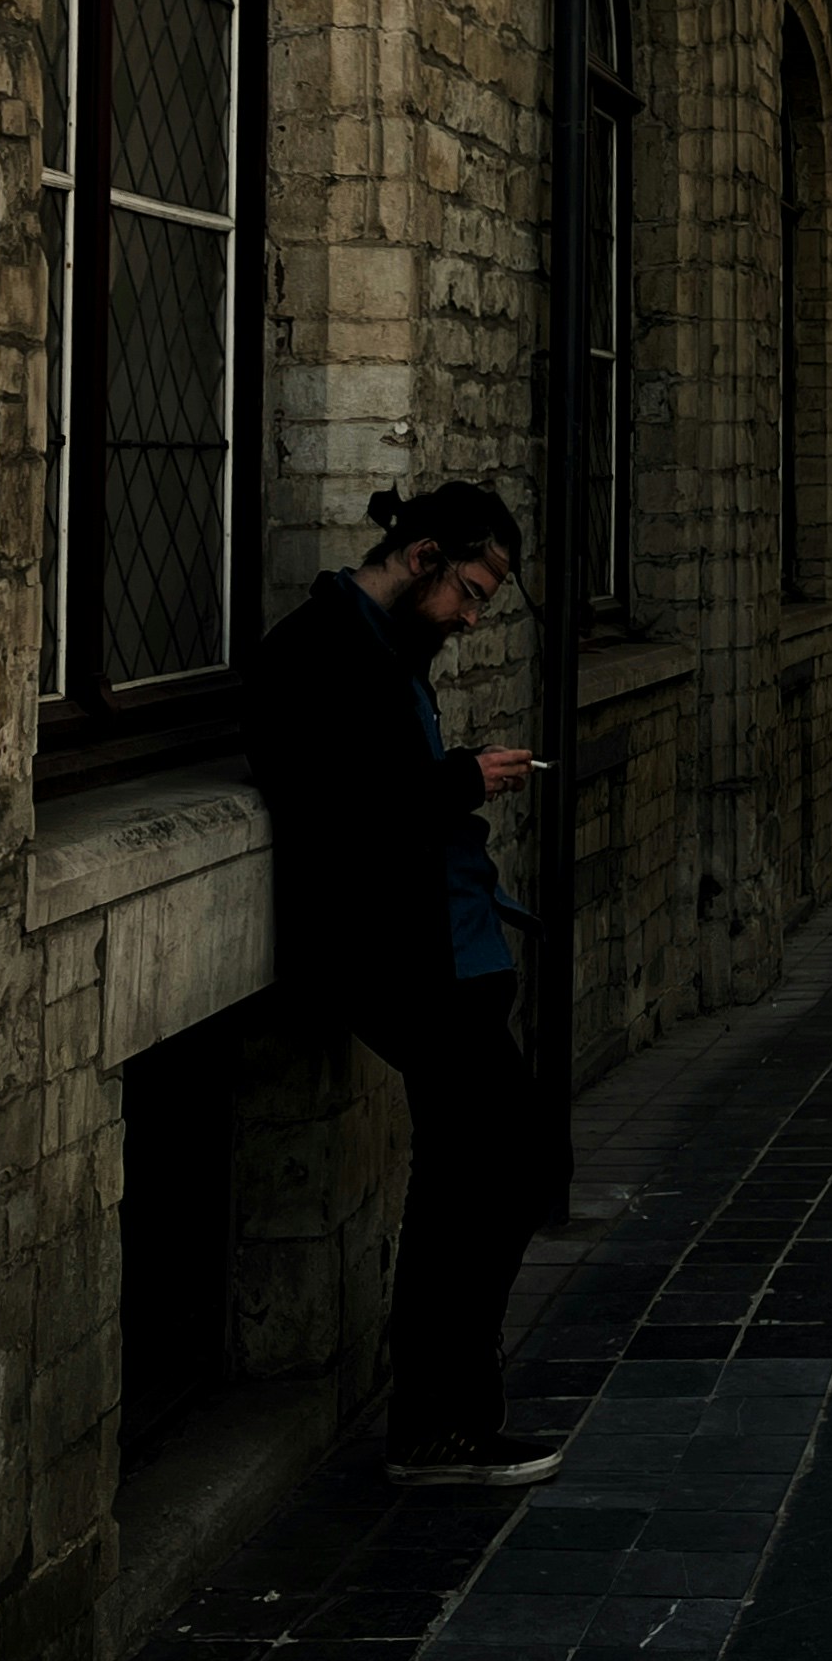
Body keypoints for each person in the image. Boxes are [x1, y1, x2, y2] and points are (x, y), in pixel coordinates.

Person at [246, 479, 562, 1487]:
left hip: (447, 954)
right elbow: (339, 812)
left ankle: (442, 1418)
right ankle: (438, 1425)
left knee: (492, 1173)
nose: (470, 620)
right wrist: (463, 779)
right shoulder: (318, 651)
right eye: (467, 592)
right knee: (492, 1173)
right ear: (422, 557)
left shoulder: (388, 651)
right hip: (393, 960)